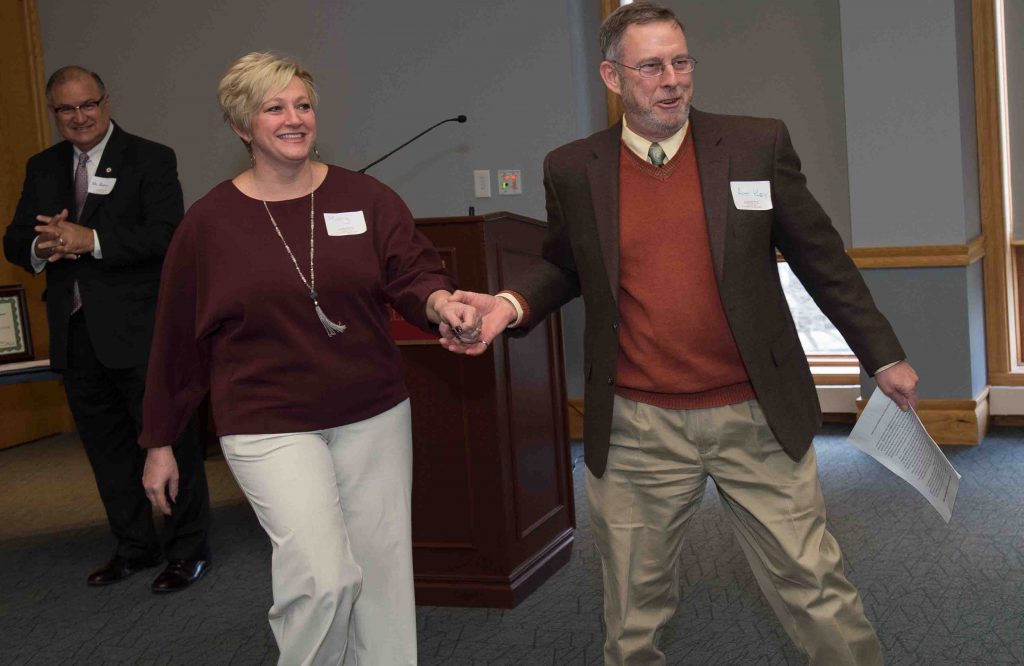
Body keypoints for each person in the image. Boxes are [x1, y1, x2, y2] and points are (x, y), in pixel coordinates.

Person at [440, 3, 920, 665]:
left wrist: (882, 352)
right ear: (613, 77)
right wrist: (509, 304)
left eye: (681, 61)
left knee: (815, 587)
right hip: (639, 424)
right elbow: (562, 262)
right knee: (633, 611)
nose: (672, 80)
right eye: (651, 67)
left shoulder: (755, 145)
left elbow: (821, 256)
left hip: (755, 411)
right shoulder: (574, 168)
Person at [139, 52, 479, 665]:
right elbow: (175, 341)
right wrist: (161, 441)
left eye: (303, 105)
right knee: (322, 577)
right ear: (243, 127)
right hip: (267, 421)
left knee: (381, 574)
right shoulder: (208, 225)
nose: (294, 119)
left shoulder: (365, 197)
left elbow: (414, 270)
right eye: (275, 108)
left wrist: (438, 301)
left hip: (371, 411)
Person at [3, 66, 211, 592]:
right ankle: (135, 547)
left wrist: (88, 239)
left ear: (106, 102)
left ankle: (187, 550)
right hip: (75, 334)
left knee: (169, 443)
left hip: (141, 332)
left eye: (88, 105)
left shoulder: (150, 158)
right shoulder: (42, 166)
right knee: (107, 450)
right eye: (66, 110)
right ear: (55, 113)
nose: (79, 117)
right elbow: (14, 240)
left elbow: (167, 237)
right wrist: (40, 247)